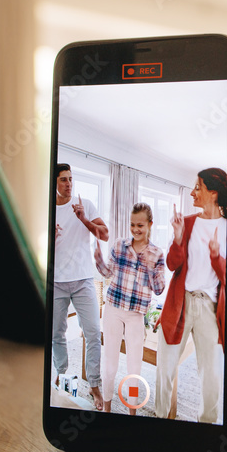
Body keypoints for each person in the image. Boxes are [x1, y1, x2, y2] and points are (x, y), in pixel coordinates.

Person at [155, 168, 227, 423]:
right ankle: (159, 421)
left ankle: (207, 428)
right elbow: (172, 265)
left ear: (214, 193)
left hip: (209, 307)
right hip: (181, 302)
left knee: (212, 377)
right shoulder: (187, 223)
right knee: (164, 369)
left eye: (198, 187)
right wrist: (177, 238)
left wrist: (216, 255)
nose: (192, 192)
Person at [94, 203, 166, 415]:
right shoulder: (119, 245)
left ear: (150, 225)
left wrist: (150, 268)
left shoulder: (156, 254)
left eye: (140, 225)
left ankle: (132, 411)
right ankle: (106, 406)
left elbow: (160, 288)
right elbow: (107, 273)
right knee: (110, 365)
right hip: (113, 310)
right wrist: (98, 258)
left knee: (134, 368)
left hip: (136, 315)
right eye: (132, 225)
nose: (135, 229)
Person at [53, 163, 109, 410]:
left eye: (71, 179)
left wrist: (83, 218)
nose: (68, 184)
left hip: (84, 280)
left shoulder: (84, 204)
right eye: (63, 179)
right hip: (55, 282)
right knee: (56, 334)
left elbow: (104, 234)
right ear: (54, 182)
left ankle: (94, 385)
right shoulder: (47, 209)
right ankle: (60, 374)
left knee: (93, 333)